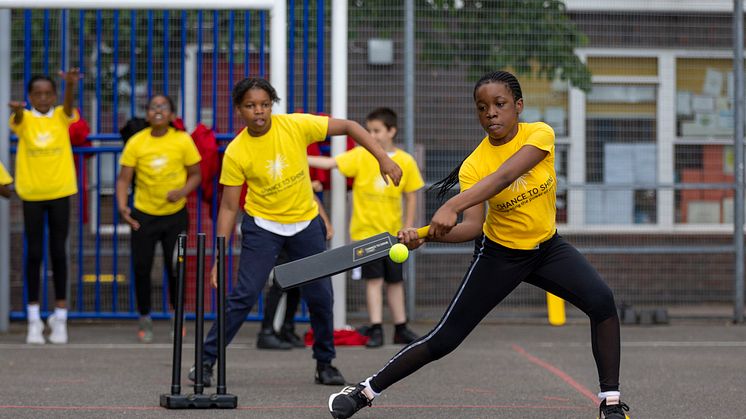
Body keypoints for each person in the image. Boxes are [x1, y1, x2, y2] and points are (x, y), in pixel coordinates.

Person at [327, 71, 631, 419]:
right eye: (482, 107)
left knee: (602, 302)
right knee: (444, 339)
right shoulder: (473, 165)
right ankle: (364, 391)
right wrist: (423, 234)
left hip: (548, 249)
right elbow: (472, 227)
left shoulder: (539, 135)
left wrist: (452, 204)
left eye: (500, 105)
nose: (491, 113)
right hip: (499, 255)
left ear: (518, 106)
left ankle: (610, 401)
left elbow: (504, 176)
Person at [188, 77, 402, 388]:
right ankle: (206, 362)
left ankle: (325, 363)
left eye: (264, 104)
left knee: (320, 296)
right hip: (263, 226)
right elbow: (229, 207)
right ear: (239, 110)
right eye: (250, 106)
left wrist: (382, 157)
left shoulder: (295, 125)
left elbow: (352, 127)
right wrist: (219, 257)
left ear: (271, 106)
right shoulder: (236, 152)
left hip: (305, 223)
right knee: (244, 295)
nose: (258, 111)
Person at [308, 107, 424, 348]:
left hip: (394, 235)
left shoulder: (406, 160)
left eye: (376, 130)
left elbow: (412, 195)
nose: (371, 135)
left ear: (392, 131)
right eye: (368, 130)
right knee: (374, 281)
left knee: (395, 281)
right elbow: (330, 163)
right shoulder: (361, 155)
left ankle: (400, 327)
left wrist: (408, 226)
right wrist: (300, 156)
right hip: (367, 234)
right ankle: (376, 328)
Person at [115, 94, 202, 343]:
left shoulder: (182, 140)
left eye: (164, 106)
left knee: (176, 268)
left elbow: (196, 174)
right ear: (148, 114)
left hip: (175, 216)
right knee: (141, 268)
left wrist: (182, 192)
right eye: (153, 107)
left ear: (172, 115)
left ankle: (177, 317)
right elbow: (123, 180)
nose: (158, 110)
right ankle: (145, 318)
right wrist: (123, 208)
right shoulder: (137, 142)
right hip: (143, 215)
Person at [9, 70, 82, 345]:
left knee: (58, 253)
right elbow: (16, 120)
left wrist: (70, 86)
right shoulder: (23, 118)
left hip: (60, 191)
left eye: (47, 93)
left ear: (53, 95)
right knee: (34, 254)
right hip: (32, 194)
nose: (42, 97)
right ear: (29, 97)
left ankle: (60, 317)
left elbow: (68, 107)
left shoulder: (61, 115)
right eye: (37, 94)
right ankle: (34, 319)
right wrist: (18, 110)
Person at [257, 192, 333, 350]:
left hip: (299, 228)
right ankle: (267, 330)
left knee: (298, 278)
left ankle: (287, 327)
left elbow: (310, 195)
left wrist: (325, 221)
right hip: (279, 226)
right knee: (280, 281)